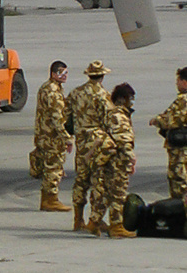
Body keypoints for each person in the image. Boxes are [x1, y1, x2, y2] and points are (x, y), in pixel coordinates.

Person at [67, 60, 112, 231]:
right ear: (102, 76)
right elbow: (108, 121)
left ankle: (78, 220)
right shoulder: (104, 95)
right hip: (97, 142)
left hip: (81, 141)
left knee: (80, 180)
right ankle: (96, 219)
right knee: (97, 181)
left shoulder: (75, 93)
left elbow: (67, 116)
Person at [90, 83, 138, 238]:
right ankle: (116, 226)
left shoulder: (111, 114)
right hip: (118, 161)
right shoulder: (119, 117)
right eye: (130, 98)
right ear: (122, 99)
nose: (132, 102)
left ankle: (94, 222)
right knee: (118, 194)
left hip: (110, 159)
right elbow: (123, 141)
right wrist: (131, 160)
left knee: (106, 193)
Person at [32, 60, 73, 212]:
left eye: (66, 72)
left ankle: (47, 199)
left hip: (44, 135)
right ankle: (51, 200)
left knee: (49, 168)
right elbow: (58, 119)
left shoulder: (46, 88)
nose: (64, 75)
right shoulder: (54, 92)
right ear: (53, 74)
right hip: (52, 138)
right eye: (61, 72)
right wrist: (67, 138)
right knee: (53, 169)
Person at [147, 66, 187, 200]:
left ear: (185, 82)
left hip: (181, 150)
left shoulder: (183, 100)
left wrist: (157, 120)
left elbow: (173, 120)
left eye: (178, 81)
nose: (177, 84)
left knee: (179, 181)